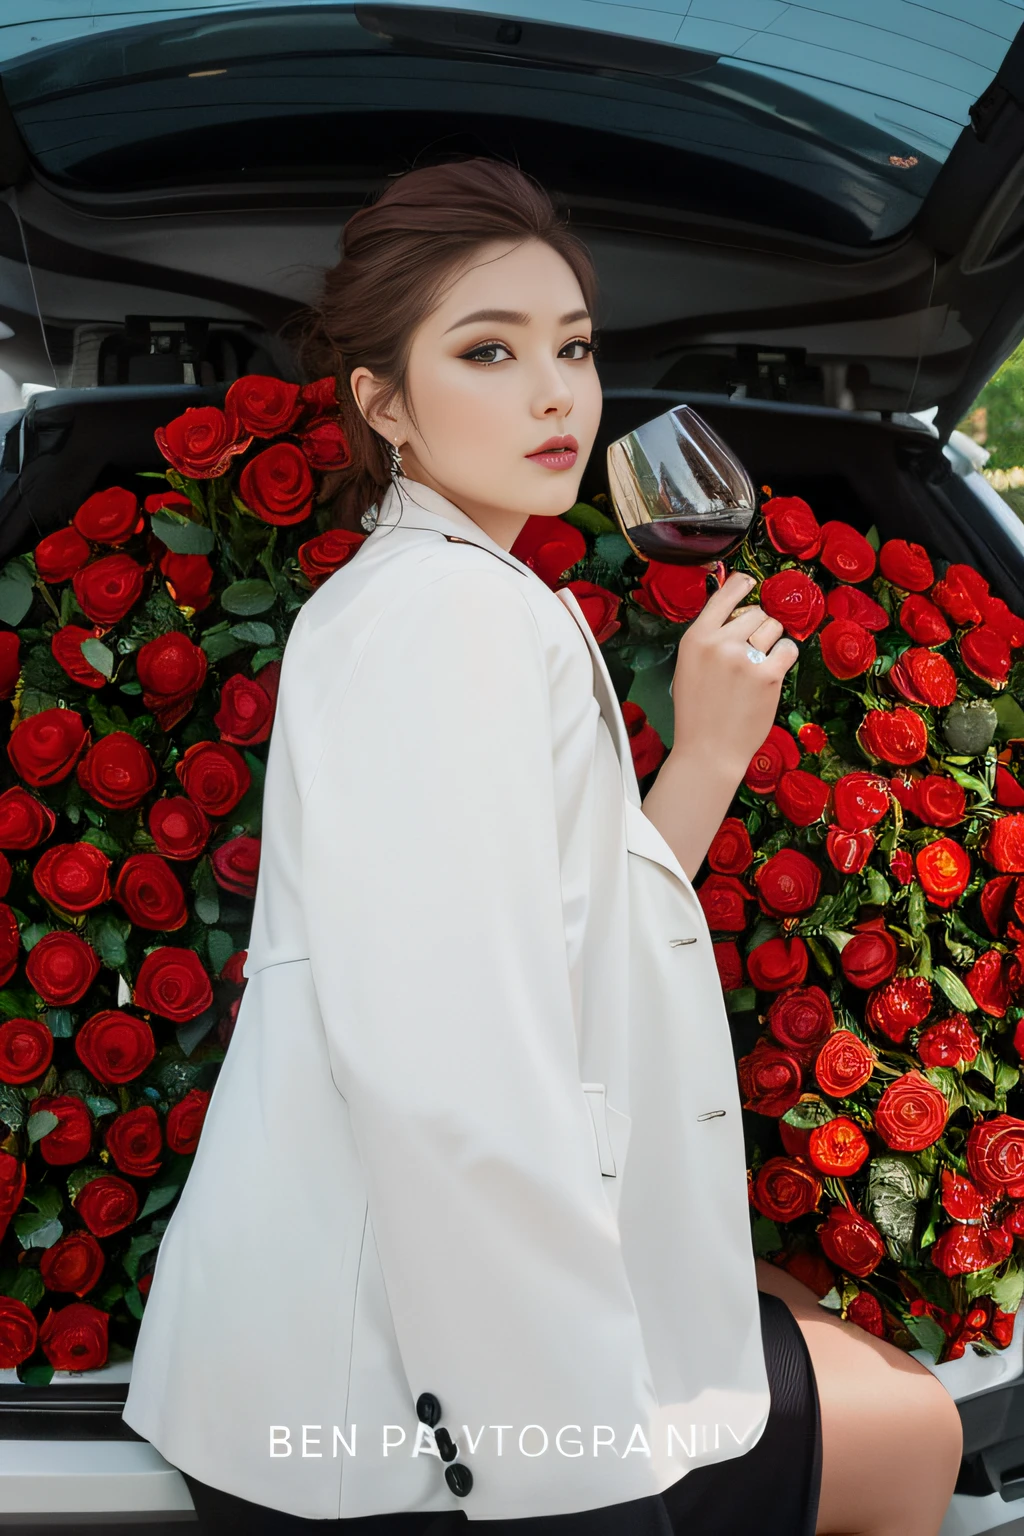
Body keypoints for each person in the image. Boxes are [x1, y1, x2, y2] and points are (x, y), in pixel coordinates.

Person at [121, 158, 964, 1536]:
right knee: (913, 1433)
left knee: (809, 1334)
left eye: (572, 347)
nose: (558, 391)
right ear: (382, 401)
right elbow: (448, 1085)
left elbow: (558, 947)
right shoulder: (452, 619)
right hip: (395, 1419)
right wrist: (571, 1459)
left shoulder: (440, 593)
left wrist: (703, 753)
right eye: (490, 350)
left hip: (342, 1366)